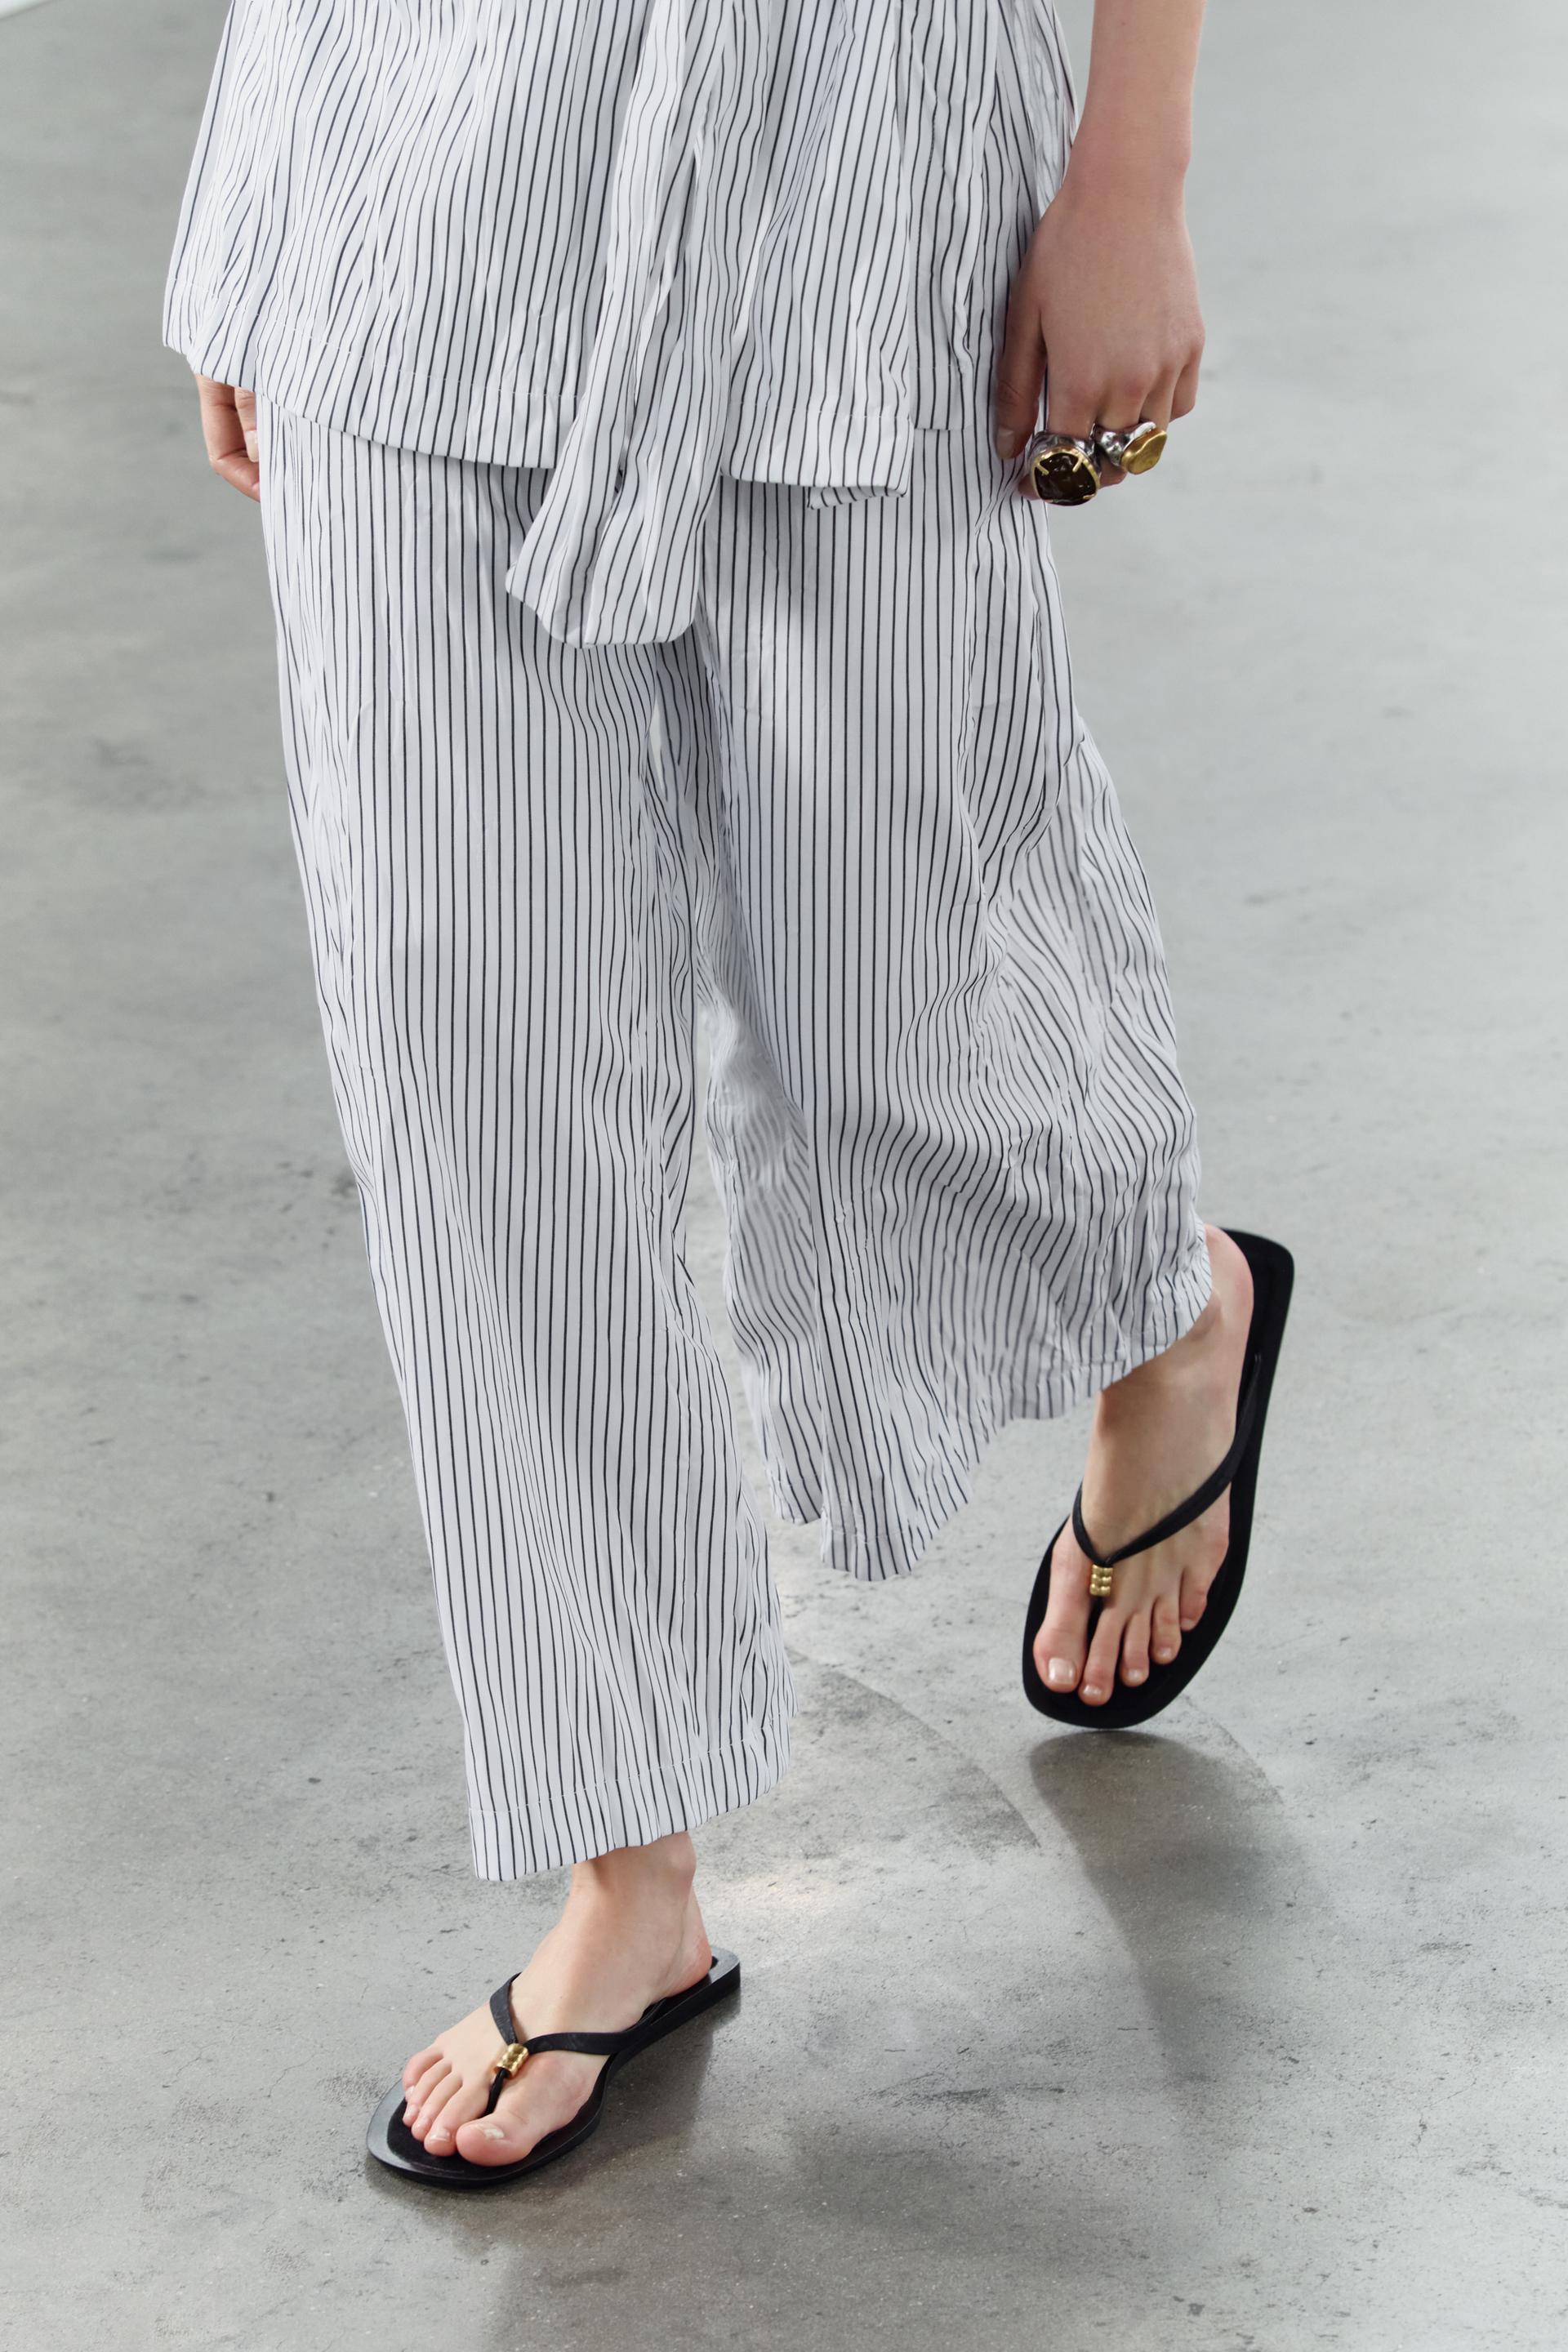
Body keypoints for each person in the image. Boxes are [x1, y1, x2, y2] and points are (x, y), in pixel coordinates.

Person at [163, 0, 1291, 2186]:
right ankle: (627, 1861)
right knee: (472, 1070)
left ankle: (1159, 1306)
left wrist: (1129, 172)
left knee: (900, 984)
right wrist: (259, 182)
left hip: (864, 142)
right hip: (405, 150)